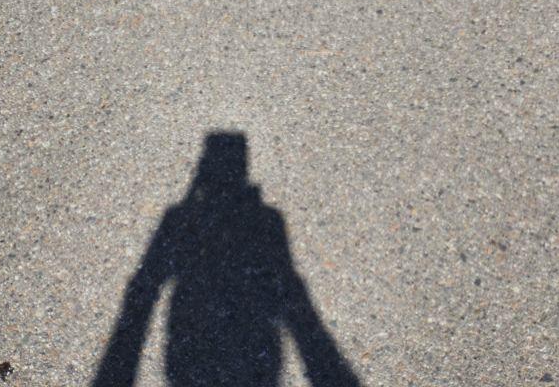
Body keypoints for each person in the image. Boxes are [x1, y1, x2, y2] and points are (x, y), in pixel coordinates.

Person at [91, 133, 362, 387]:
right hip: (250, 350)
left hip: (191, 349)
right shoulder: (267, 218)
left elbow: (144, 287)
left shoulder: (181, 216)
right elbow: (291, 287)